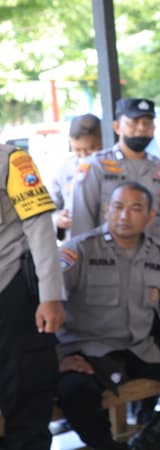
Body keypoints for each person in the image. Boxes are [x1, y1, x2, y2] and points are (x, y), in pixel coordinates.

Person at [55, 182, 160, 450]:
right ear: (107, 211)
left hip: (137, 348)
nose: (124, 215)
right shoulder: (78, 251)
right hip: (87, 352)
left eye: (135, 209)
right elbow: (47, 306)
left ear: (149, 216)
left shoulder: (157, 254)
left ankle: (148, 437)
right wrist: (58, 358)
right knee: (74, 392)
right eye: (118, 207)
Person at [0, 144, 65, 450]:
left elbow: (39, 226)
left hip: (11, 290)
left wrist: (50, 295)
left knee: (26, 396)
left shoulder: (12, 160)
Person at [70, 98, 160, 247]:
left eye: (147, 123)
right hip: (104, 263)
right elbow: (81, 223)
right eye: (133, 122)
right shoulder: (95, 167)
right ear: (117, 126)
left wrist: (155, 244)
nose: (141, 128)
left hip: (150, 264)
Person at [50, 113, 103, 240]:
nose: (84, 155)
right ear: (70, 143)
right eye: (78, 150)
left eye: (92, 149)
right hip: (76, 244)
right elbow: (49, 207)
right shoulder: (64, 170)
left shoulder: (113, 166)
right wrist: (57, 219)